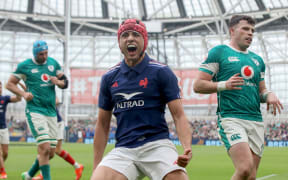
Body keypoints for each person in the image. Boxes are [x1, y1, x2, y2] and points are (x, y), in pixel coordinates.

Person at [91, 18, 192, 180]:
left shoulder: (162, 72)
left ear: (144, 41)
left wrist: (187, 148)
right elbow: (102, 124)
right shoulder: (109, 77)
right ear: (119, 43)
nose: (130, 38)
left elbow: (179, 115)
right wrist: (96, 166)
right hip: (124, 148)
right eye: (125, 35)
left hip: (157, 144)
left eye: (136, 35)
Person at [193, 15, 283, 180]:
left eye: (252, 31)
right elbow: (198, 85)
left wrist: (269, 95)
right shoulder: (219, 52)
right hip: (231, 117)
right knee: (244, 168)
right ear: (232, 30)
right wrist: (223, 85)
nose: (250, 33)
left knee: (251, 176)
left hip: (255, 120)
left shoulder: (257, 60)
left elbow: (261, 91)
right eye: (245, 29)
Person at [6, 40, 69, 180]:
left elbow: (65, 82)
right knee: (45, 148)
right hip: (35, 111)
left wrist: (58, 82)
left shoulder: (53, 64)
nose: (45, 56)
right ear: (35, 54)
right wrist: (23, 94)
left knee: (51, 152)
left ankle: (28, 175)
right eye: (41, 54)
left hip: (51, 112)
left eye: (46, 53)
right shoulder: (25, 66)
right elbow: (9, 84)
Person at [0, 81, 21, 179]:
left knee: (5, 153)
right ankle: (2, 172)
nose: (0, 89)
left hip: (3, 129)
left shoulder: (4, 98)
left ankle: (1, 166)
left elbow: (18, 99)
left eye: (0, 87)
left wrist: (17, 90)